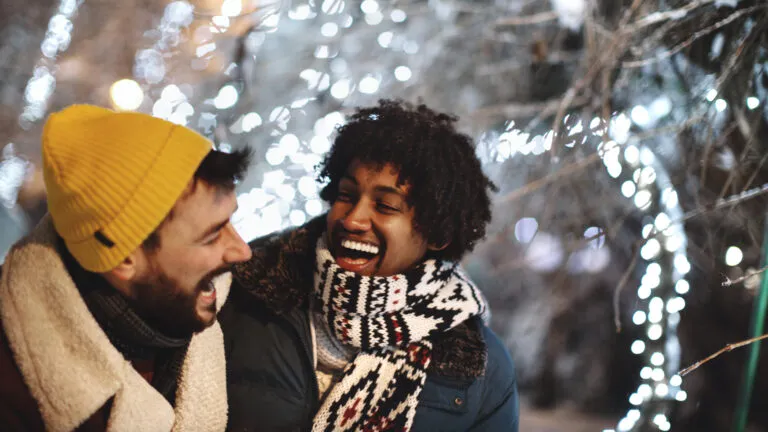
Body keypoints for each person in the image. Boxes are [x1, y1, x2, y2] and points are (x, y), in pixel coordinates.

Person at [220, 99, 519, 431]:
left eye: (385, 205)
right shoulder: (250, 286)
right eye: (347, 195)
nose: (353, 219)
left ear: (438, 233)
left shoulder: (477, 365)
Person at [0, 105, 253, 431]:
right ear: (123, 261)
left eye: (231, 220)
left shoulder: (219, 316)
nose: (243, 251)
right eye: (213, 235)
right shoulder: (13, 393)